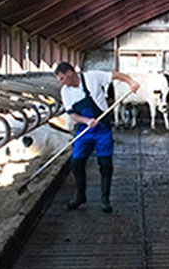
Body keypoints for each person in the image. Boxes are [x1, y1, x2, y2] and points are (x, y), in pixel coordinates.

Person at [54, 62, 139, 212]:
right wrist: (86, 121)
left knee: (105, 164)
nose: (60, 82)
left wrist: (131, 82)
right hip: (84, 130)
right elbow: (72, 114)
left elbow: (116, 75)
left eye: (61, 78)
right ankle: (80, 196)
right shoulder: (65, 91)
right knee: (76, 163)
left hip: (102, 129)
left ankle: (105, 200)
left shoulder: (92, 77)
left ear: (70, 74)